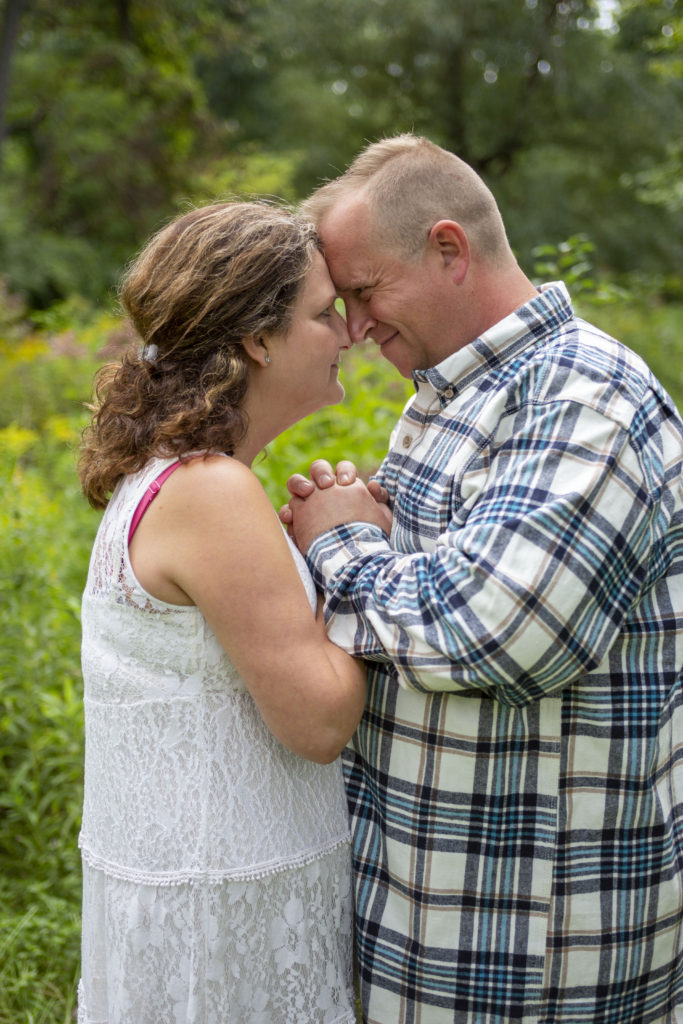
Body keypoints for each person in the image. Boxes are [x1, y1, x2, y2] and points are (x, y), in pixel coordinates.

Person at [282, 134, 683, 1023]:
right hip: (441, 909)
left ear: (448, 249)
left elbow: (494, 633)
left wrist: (337, 543)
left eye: (364, 292)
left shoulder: (580, 397)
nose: (354, 326)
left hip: (534, 943)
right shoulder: (454, 396)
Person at [77, 201, 366, 1024]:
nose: (346, 332)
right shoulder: (210, 490)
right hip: (223, 914)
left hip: (215, 885)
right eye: (322, 312)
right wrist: (348, 552)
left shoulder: (181, 478)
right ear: (257, 340)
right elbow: (317, 724)